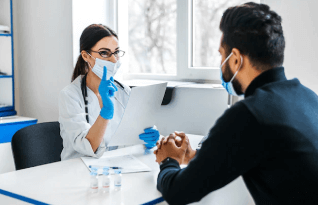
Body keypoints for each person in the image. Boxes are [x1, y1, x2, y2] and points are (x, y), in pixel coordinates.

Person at [154, 2, 318, 205]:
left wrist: (168, 160)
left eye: (221, 55)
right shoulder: (308, 98)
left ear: (235, 60)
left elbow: (177, 193)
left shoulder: (250, 114)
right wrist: (194, 157)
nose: (221, 62)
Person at [59, 24, 159, 161]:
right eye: (104, 53)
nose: (113, 59)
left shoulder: (124, 91)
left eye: (116, 52)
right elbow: (88, 147)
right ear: (86, 56)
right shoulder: (70, 96)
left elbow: (131, 135)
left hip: (116, 165)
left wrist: (148, 137)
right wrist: (106, 111)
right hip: (77, 167)